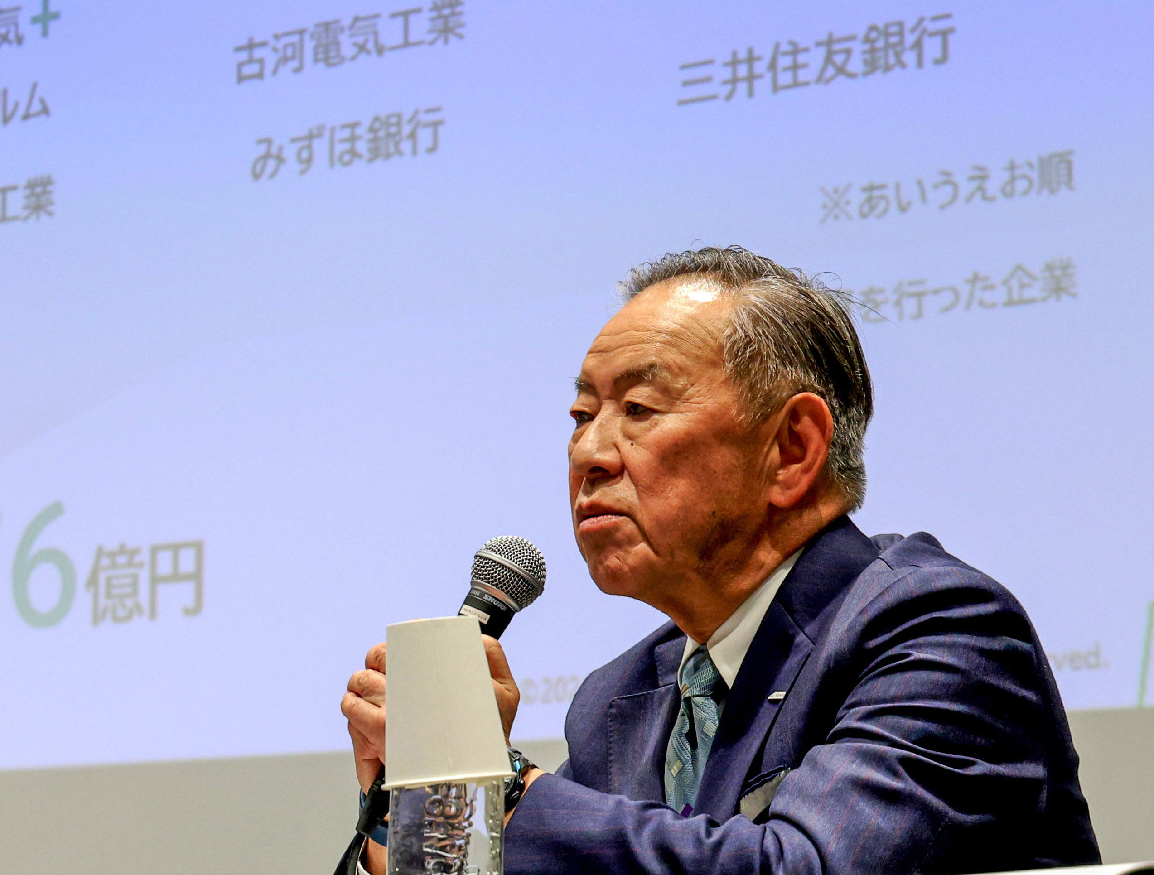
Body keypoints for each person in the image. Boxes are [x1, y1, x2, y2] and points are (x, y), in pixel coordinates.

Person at [341, 246, 1098, 873]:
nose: (589, 453)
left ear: (792, 449)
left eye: (638, 409)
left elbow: (806, 868)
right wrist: (423, 815)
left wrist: (501, 785)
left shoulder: (938, 630)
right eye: (581, 415)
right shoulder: (621, 697)